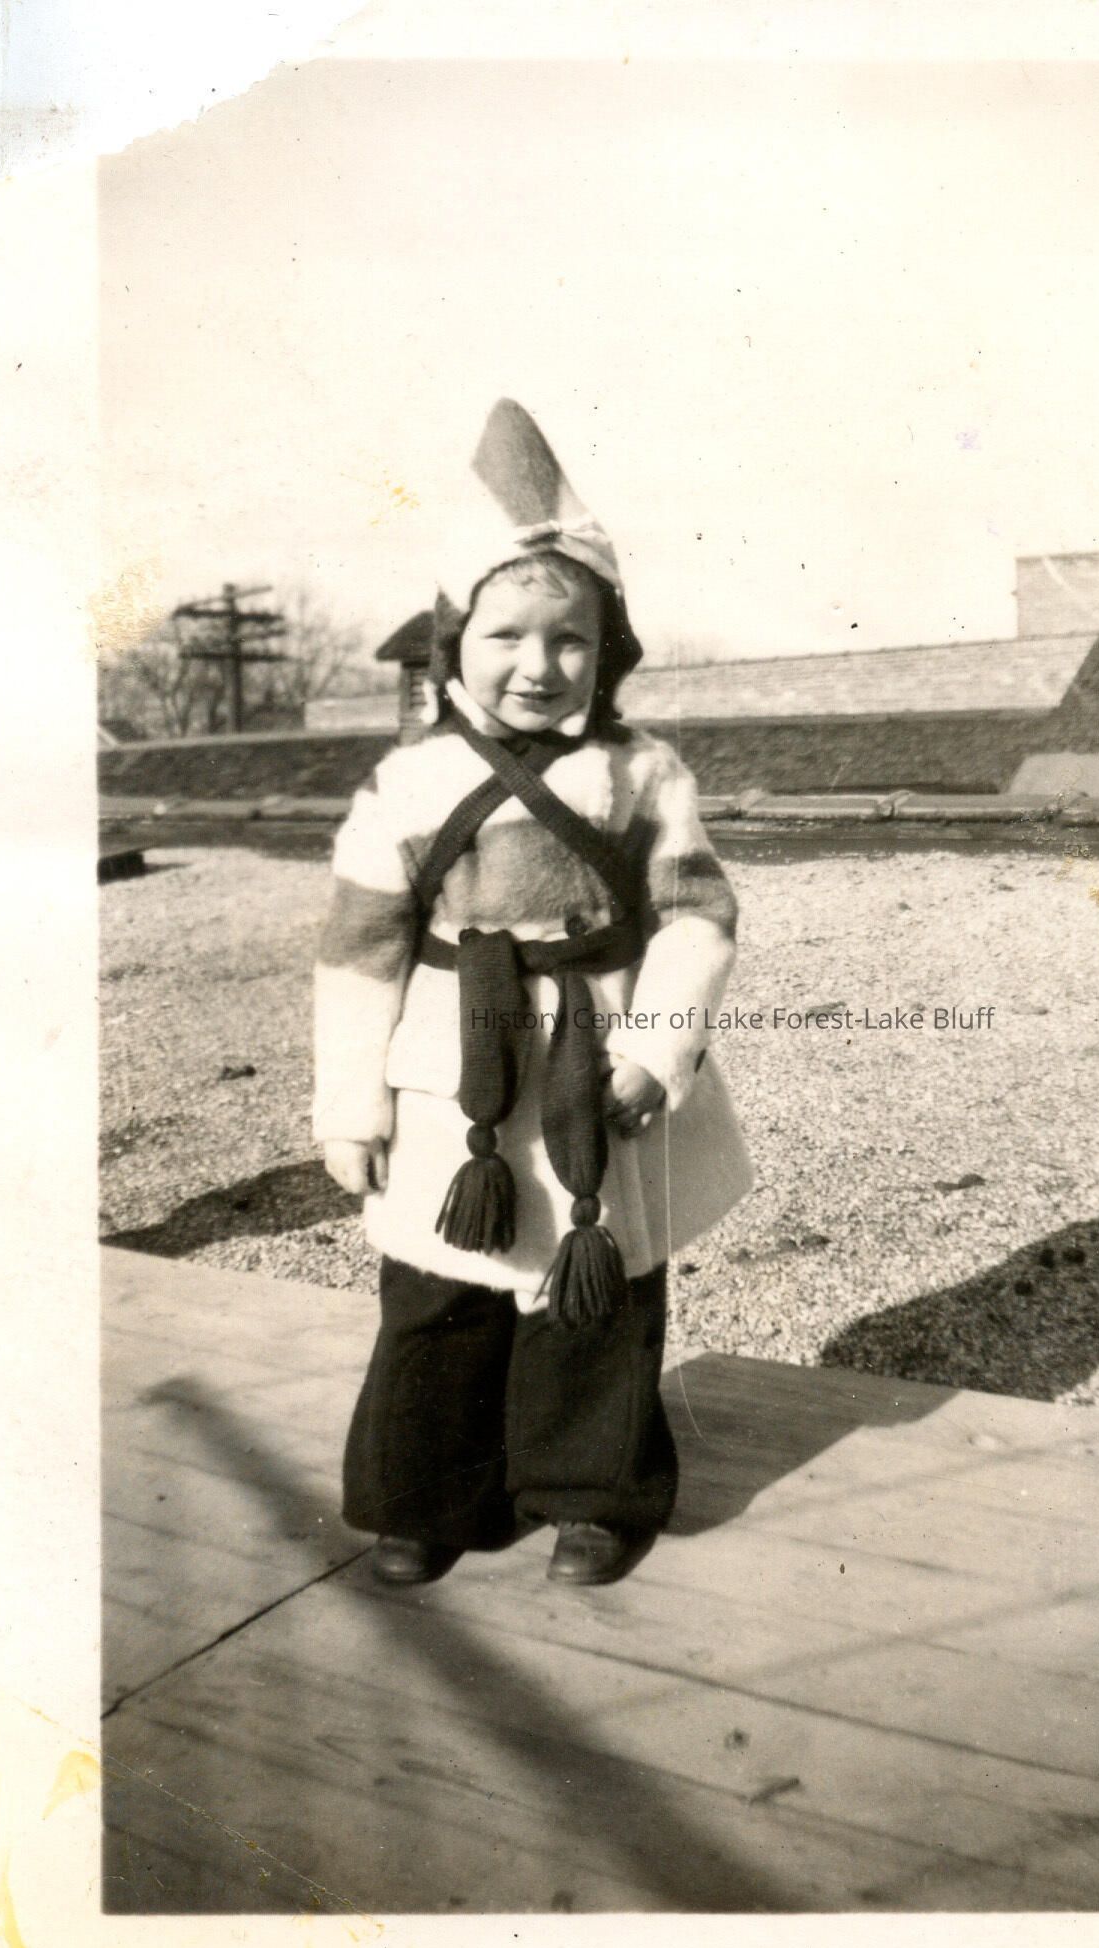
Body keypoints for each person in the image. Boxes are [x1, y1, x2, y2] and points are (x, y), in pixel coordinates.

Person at [313, 399, 753, 1588]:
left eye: (570, 639)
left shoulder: (644, 774)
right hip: (452, 1069)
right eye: (504, 634)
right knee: (435, 1289)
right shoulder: (405, 786)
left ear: (609, 652)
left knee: (594, 1284)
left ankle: (592, 1495)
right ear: (453, 643)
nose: (537, 665)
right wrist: (349, 1106)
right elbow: (358, 955)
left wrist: (656, 1048)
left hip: (595, 1057)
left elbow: (696, 915)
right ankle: (428, 1496)